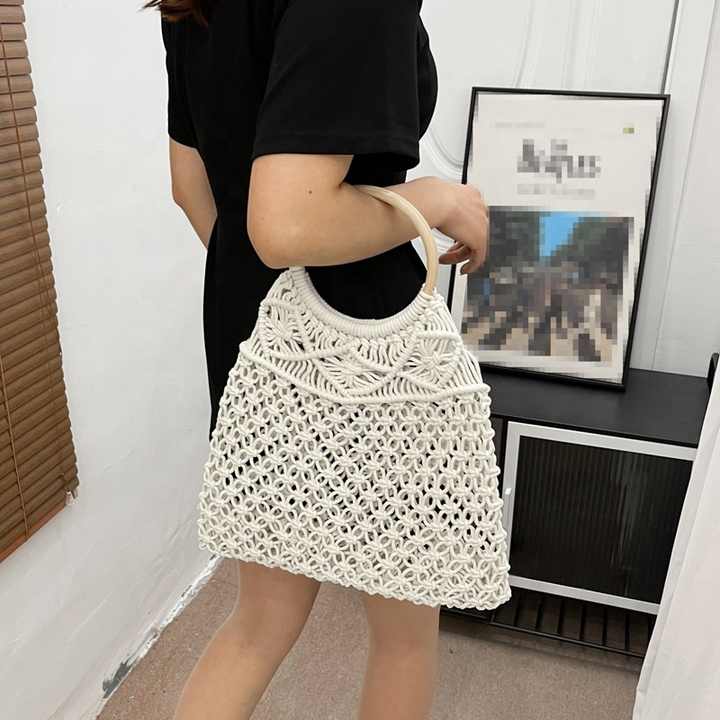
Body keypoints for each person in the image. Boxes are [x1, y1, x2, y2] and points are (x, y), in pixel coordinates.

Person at [146, 1, 489, 718]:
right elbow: (289, 223)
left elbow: (189, 185)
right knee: (402, 634)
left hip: (253, 330)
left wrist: (261, 289)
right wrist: (434, 200)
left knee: (258, 623)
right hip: (374, 334)